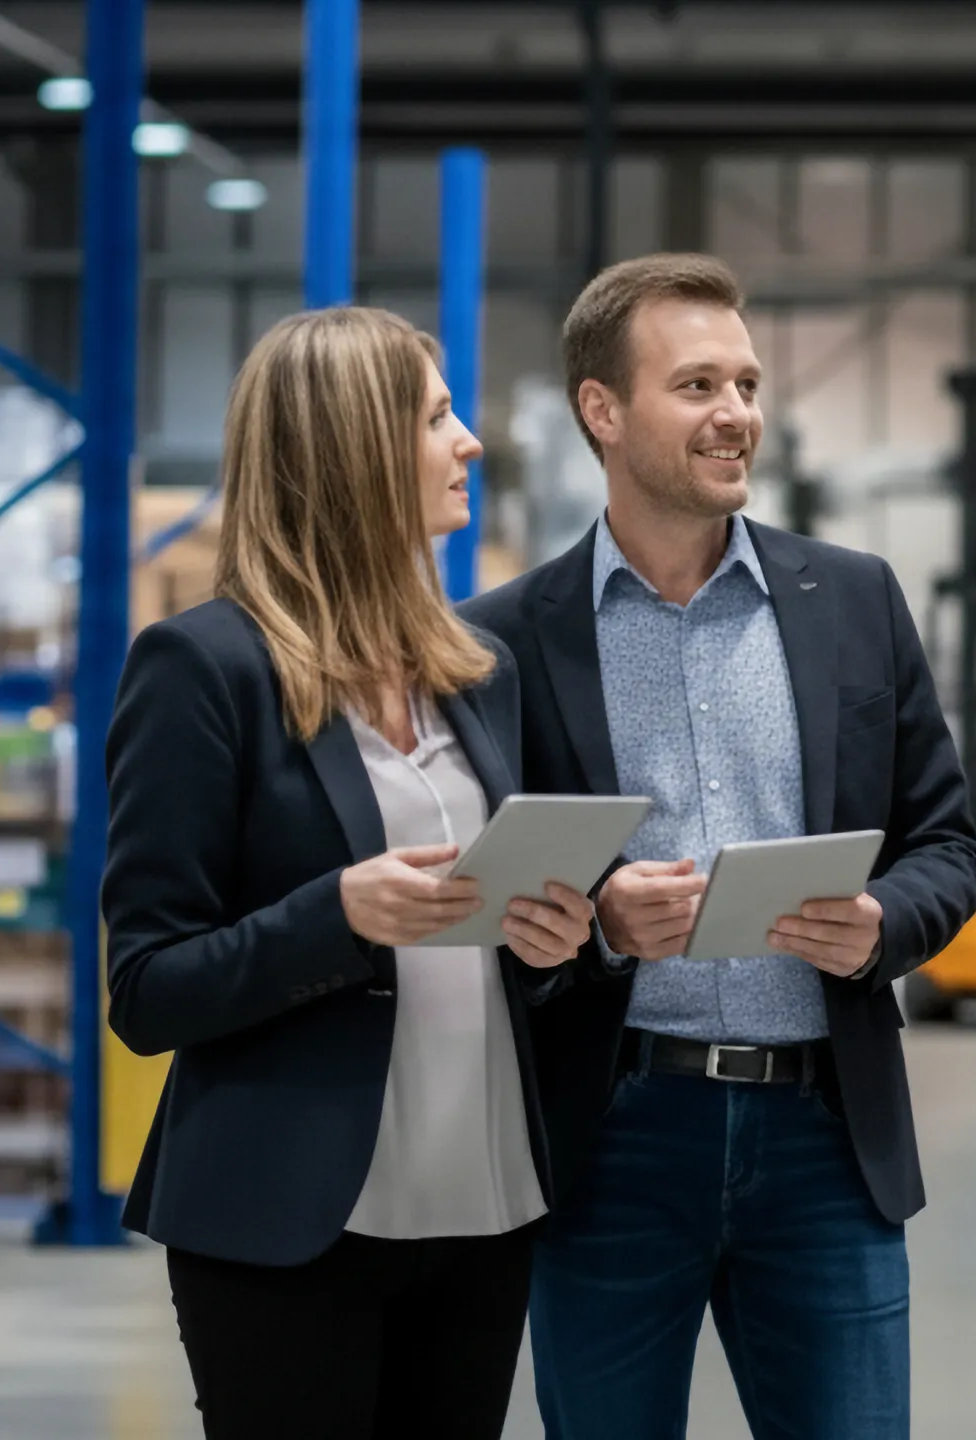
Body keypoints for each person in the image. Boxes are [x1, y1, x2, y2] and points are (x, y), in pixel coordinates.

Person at [463, 252, 976, 1440]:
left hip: (823, 1137)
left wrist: (879, 929)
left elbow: (950, 846)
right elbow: (479, 912)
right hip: (612, 1135)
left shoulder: (855, 601)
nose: (738, 415)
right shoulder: (503, 642)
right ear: (604, 410)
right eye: (698, 386)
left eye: (746, 384)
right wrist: (595, 926)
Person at [101, 306, 603, 1439]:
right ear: (354, 449)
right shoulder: (202, 670)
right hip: (290, 1216)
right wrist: (335, 915)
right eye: (437, 417)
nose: (470, 440)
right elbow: (147, 986)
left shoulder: (478, 674)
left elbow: (498, 961)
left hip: (483, 1204)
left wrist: (551, 944)